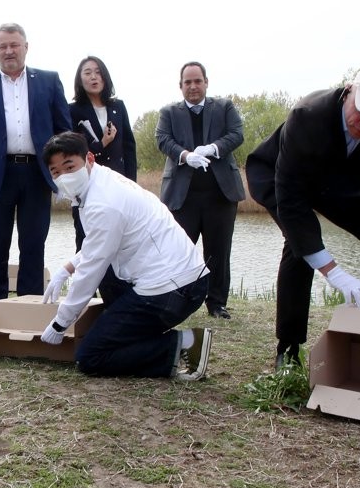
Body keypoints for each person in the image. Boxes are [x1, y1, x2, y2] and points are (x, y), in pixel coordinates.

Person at [245, 63, 360, 368]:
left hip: (343, 183)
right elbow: (292, 201)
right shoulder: (308, 114)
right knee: (300, 247)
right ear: (350, 91)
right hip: (282, 177)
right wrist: (333, 272)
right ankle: (289, 345)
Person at [39, 132, 212, 380]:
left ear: (88, 158)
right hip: (182, 280)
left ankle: (182, 344)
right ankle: (128, 329)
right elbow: (98, 243)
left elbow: (91, 270)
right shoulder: (102, 180)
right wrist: (67, 268)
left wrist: (60, 323)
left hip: (172, 292)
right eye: (56, 172)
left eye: (69, 166)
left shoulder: (103, 202)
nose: (64, 177)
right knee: (108, 278)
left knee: (91, 356)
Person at [0, 22, 72, 304]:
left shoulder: (49, 81)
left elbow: (64, 132)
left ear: (26, 47)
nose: (9, 51)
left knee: (33, 247)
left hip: (38, 175)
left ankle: (29, 309)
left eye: (14, 45)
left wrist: (63, 178)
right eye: (3, 47)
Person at [155, 61, 246, 320]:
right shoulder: (169, 113)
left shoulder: (224, 107)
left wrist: (213, 148)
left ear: (206, 82)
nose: (193, 86)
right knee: (178, 251)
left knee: (218, 252)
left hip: (220, 194)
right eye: (188, 82)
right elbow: (162, 139)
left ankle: (216, 304)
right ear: (180, 86)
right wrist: (185, 155)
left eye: (198, 81)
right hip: (182, 196)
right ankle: (175, 302)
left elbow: (237, 134)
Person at [68, 55, 137, 250]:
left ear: (105, 77)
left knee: (121, 244)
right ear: (80, 80)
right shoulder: (72, 110)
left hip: (117, 184)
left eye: (98, 72)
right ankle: (87, 281)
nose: (93, 77)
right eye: (87, 73)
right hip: (87, 186)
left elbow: (129, 148)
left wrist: (132, 185)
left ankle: (118, 282)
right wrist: (101, 144)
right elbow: (72, 152)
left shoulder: (118, 107)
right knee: (86, 244)